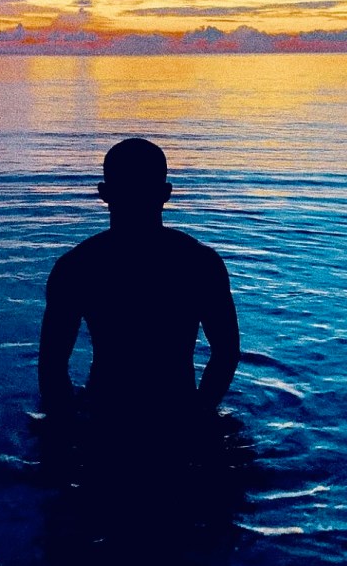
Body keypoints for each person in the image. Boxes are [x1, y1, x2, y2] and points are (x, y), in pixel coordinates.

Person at [38, 138, 240, 450]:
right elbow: (226, 353)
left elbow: (52, 365)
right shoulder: (200, 263)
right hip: (178, 412)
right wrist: (200, 413)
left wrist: (65, 430)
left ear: (104, 194)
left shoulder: (77, 267)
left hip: (104, 416)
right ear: (166, 193)